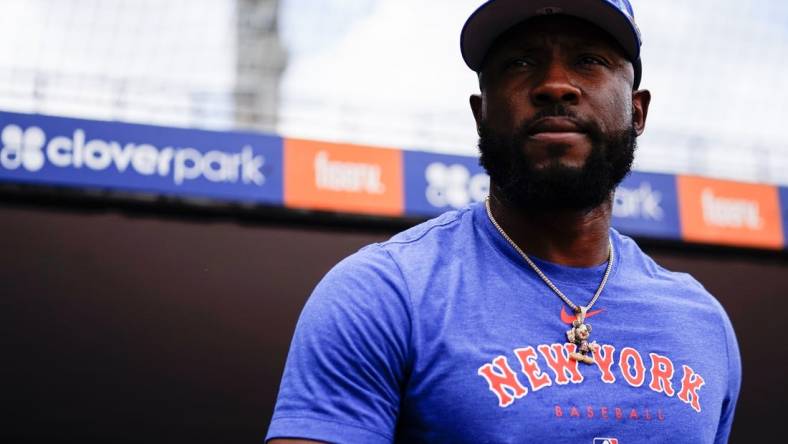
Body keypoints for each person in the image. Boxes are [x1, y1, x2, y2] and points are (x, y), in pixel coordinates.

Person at [266, 0, 741, 442]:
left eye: (589, 60)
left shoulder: (703, 323)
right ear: (480, 113)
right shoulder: (384, 292)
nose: (556, 84)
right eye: (520, 62)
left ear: (637, 111)